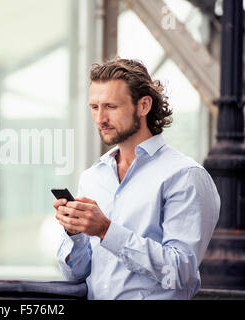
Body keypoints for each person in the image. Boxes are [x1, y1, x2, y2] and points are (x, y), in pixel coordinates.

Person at [53, 58, 220, 300]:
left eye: (111, 106)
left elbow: (179, 270)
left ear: (143, 106)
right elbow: (76, 275)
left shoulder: (185, 176)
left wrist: (106, 230)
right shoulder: (93, 177)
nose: (100, 119)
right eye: (94, 107)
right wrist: (74, 232)